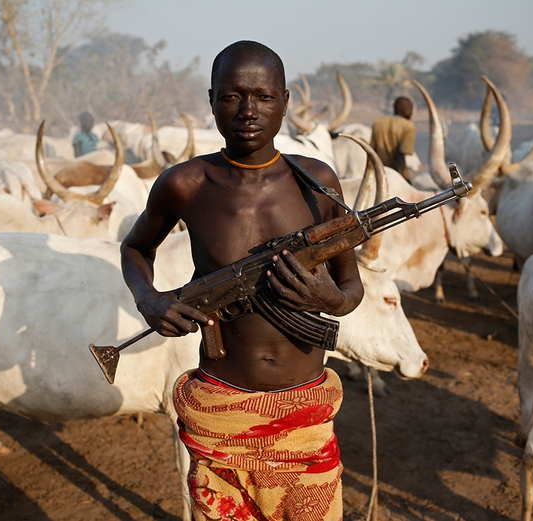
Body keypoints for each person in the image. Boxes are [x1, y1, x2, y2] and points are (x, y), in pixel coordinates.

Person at [120, 40, 364, 521]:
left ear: (285, 102)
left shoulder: (317, 184)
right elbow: (134, 248)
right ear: (211, 100)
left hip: (304, 416)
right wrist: (148, 299)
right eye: (232, 96)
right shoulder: (184, 184)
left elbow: (351, 285)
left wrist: (331, 300)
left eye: (264, 97)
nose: (248, 111)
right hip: (220, 410)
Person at [369, 96, 416, 181]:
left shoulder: (378, 123)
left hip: (379, 174)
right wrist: (399, 179)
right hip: (397, 174)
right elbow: (401, 156)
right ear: (405, 110)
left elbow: (372, 152)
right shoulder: (408, 126)